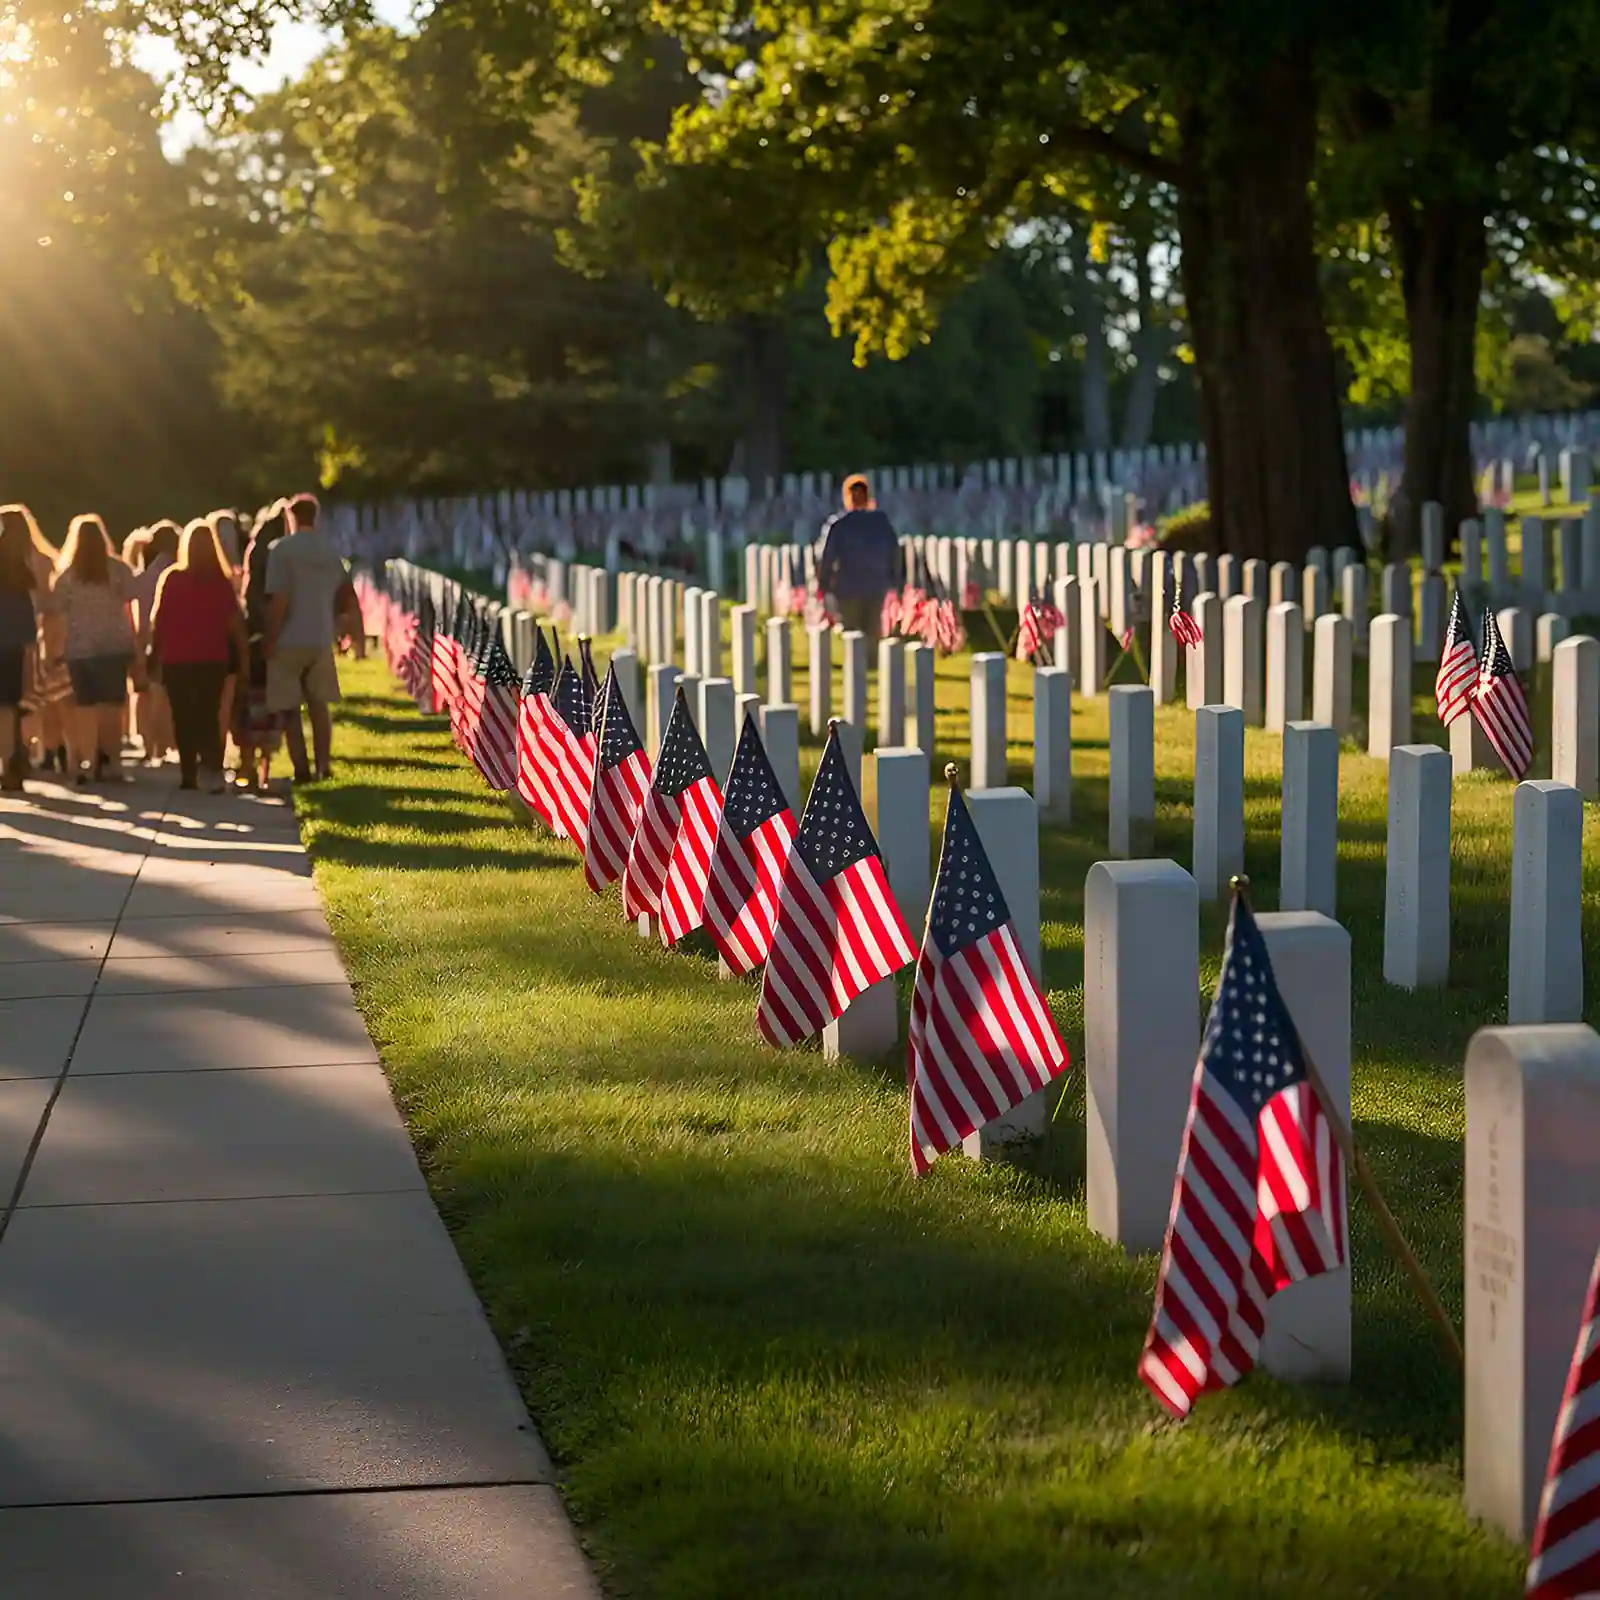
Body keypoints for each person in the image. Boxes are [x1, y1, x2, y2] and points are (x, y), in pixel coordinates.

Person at [150, 519, 249, 792]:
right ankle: (212, 769)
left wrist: (154, 652)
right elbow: (235, 624)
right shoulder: (221, 583)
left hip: (176, 659)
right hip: (212, 658)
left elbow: (159, 620)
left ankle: (188, 772)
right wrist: (243, 659)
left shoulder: (171, 578)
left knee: (183, 717)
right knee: (209, 715)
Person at [263, 492, 355, 782]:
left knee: (290, 708)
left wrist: (270, 636)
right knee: (319, 706)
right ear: (315, 517)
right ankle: (324, 766)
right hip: (320, 636)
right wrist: (342, 629)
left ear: (290, 516)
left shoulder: (281, 550)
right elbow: (346, 595)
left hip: (289, 638)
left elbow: (280, 598)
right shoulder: (329, 552)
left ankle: (301, 768)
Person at [46, 514, 137, 784]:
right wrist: (135, 643)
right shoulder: (119, 570)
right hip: (114, 646)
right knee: (112, 706)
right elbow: (129, 608)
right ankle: (113, 763)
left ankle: (87, 761)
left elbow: (58, 616)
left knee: (85, 708)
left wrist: (55, 651)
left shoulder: (67, 577)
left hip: (79, 649)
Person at [235, 502, 289, 790]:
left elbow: (251, 592)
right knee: (273, 705)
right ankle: (265, 768)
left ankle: (247, 767)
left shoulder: (258, 549)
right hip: (282, 635)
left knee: (251, 701)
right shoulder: (286, 550)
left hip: (256, 634)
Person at [815, 474, 902, 645]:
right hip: (876, 583)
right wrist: (894, 580)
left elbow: (827, 556)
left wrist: (823, 584)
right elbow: (894, 552)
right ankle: (872, 666)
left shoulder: (839, 525)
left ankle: (856, 668)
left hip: (848, 586)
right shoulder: (881, 522)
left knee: (852, 635)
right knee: (872, 631)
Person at [128, 521, 179, 766]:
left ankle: (149, 746)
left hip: (144, 636)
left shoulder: (144, 575)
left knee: (144, 694)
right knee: (165, 696)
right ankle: (165, 745)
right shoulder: (176, 570)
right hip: (171, 638)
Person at [0, 509, 39, 790]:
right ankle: (12, 761)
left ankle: (10, 762)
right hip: (16, 644)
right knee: (11, 706)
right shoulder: (24, 566)